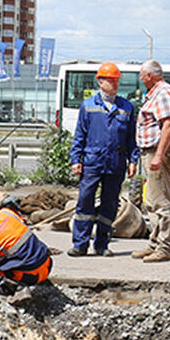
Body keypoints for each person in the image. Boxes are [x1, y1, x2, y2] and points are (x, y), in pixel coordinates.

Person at [68, 62, 138, 257]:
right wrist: (76, 159)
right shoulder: (88, 105)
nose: (115, 84)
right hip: (92, 162)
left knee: (110, 204)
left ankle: (102, 244)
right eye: (111, 80)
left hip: (115, 164)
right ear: (100, 81)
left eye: (117, 80)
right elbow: (80, 135)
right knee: (85, 202)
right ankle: (80, 244)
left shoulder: (126, 107)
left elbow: (132, 138)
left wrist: (133, 160)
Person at [130, 60, 170, 263]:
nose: (141, 79)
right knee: (152, 200)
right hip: (151, 151)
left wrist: (159, 155)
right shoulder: (157, 93)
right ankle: (155, 243)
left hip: (156, 151)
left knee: (160, 201)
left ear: (150, 76)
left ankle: (165, 246)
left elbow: (168, 125)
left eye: (143, 75)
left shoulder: (163, 94)